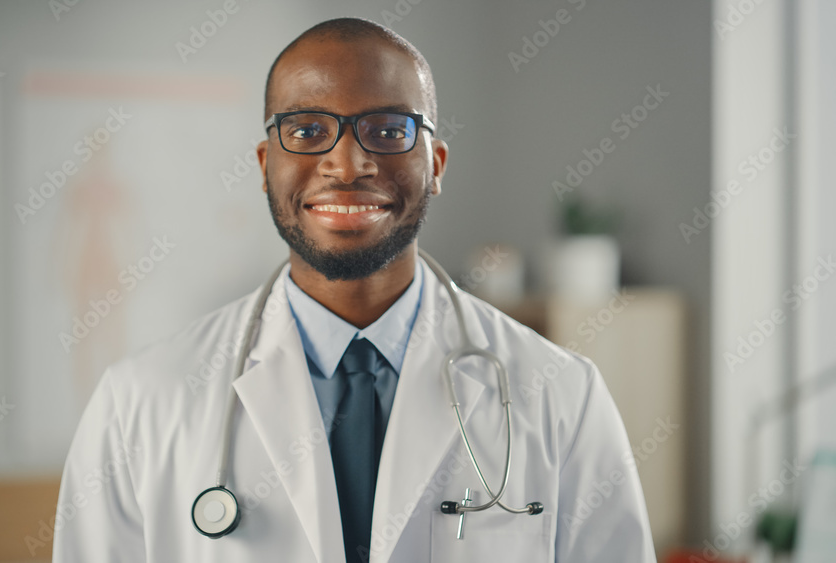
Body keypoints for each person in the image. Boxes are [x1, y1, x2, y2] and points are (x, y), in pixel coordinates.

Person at [52, 17, 657, 563]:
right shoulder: (139, 402)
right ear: (265, 165)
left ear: (437, 165)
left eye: (389, 130)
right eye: (308, 128)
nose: (347, 163)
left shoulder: (561, 396)